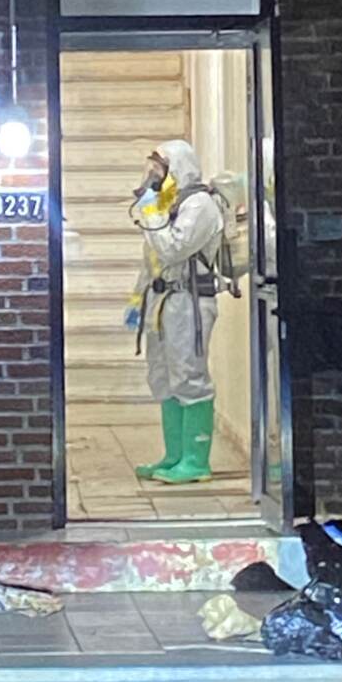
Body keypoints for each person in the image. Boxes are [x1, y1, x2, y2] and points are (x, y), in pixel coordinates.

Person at [124, 140, 224, 484]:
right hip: (162, 301)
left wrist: (152, 212)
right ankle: (174, 455)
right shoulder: (168, 206)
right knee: (163, 378)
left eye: (159, 167)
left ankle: (196, 461)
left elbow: (172, 249)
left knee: (189, 376)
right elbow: (151, 261)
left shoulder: (199, 205)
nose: (153, 174)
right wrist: (137, 301)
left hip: (189, 301)